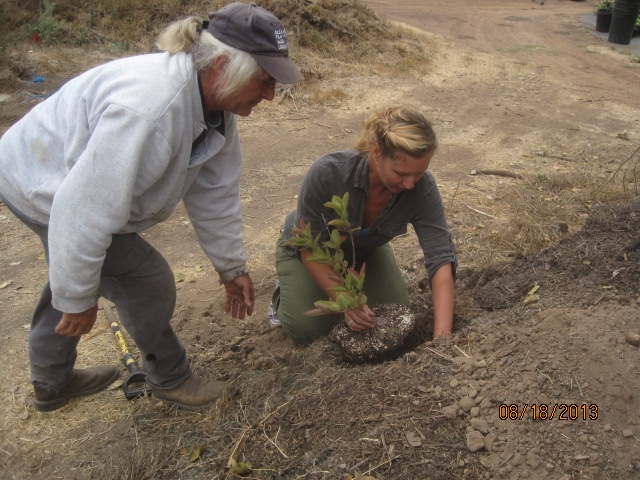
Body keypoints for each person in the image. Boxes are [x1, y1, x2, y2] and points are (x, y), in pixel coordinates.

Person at [0, 2, 303, 412]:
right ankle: (170, 378)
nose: (270, 95)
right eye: (264, 81)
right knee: (147, 281)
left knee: (80, 269)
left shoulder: (214, 107)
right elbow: (82, 210)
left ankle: (51, 381)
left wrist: (232, 268)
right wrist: (77, 299)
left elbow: (215, 193)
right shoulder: (149, 111)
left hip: (60, 183)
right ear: (220, 65)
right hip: (37, 179)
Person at [271, 106, 456, 345]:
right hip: (311, 250)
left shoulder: (422, 189)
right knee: (308, 330)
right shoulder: (327, 173)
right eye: (401, 173)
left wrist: (443, 341)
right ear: (377, 152)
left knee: (397, 315)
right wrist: (347, 301)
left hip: (365, 250)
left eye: (419, 174)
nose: (410, 184)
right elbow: (309, 248)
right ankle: (282, 294)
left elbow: (441, 259)